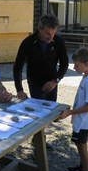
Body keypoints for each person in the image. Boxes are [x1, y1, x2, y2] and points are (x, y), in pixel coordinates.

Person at [13, 13, 69, 148]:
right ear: (39, 29)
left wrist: (55, 81)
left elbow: (65, 65)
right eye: (47, 34)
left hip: (52, 82)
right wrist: (19, 89)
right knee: (38, 114)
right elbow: (17, 67)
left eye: (53, 33)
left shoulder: (59, 41)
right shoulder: (28, 42)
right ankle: (39, 142)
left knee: (49, 114)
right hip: (36, 83)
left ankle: (38, 138)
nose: (50, 37)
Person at [59, 47, 88, 171]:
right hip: (84, 120)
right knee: (78, 144)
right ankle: (82, 167)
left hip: (84, 121)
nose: (74, 67)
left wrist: (70, 112)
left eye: (76, 65)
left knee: (82, 147)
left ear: (87, 64)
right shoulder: (86, 76)